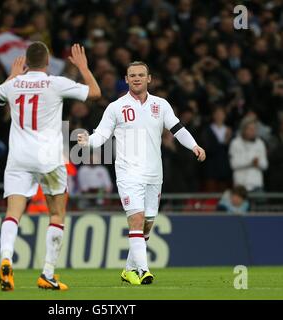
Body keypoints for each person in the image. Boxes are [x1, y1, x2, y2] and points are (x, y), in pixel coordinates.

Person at [77, 61, 206, 285]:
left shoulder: (161, 105)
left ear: (149, 79)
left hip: (154, 173)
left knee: (147, 222)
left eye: (140, 75)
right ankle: (143, 271)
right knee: (136, 219)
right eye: (132, 75)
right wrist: (88, 142)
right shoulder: (116, 107)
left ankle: (128, 270)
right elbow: (101, 135)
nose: (136, 78)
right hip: (128, 172)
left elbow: (177, 128)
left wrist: (194, 145)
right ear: (126, 80)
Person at [0, 42, 101, 291]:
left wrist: (12, 77)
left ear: (26, 62)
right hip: (49, 158)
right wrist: (83, 66)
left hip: (18, 158)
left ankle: (6, 258)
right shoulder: (55, 82)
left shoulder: (13, 84)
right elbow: (94, 93)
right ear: (48, 62)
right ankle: (47, 274)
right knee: (57, 214)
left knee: (12, 213)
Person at [228, 117, 268, 192]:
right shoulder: (235, 143)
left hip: (256, 184)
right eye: (250, 129)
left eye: (254, 129)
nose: (253, 131)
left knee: (262, 202)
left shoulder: (260, 143)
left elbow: (265, 165)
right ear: (244, 129)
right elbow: (233, 164)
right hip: (240, 185)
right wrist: (251, 162)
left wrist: (258, 163)